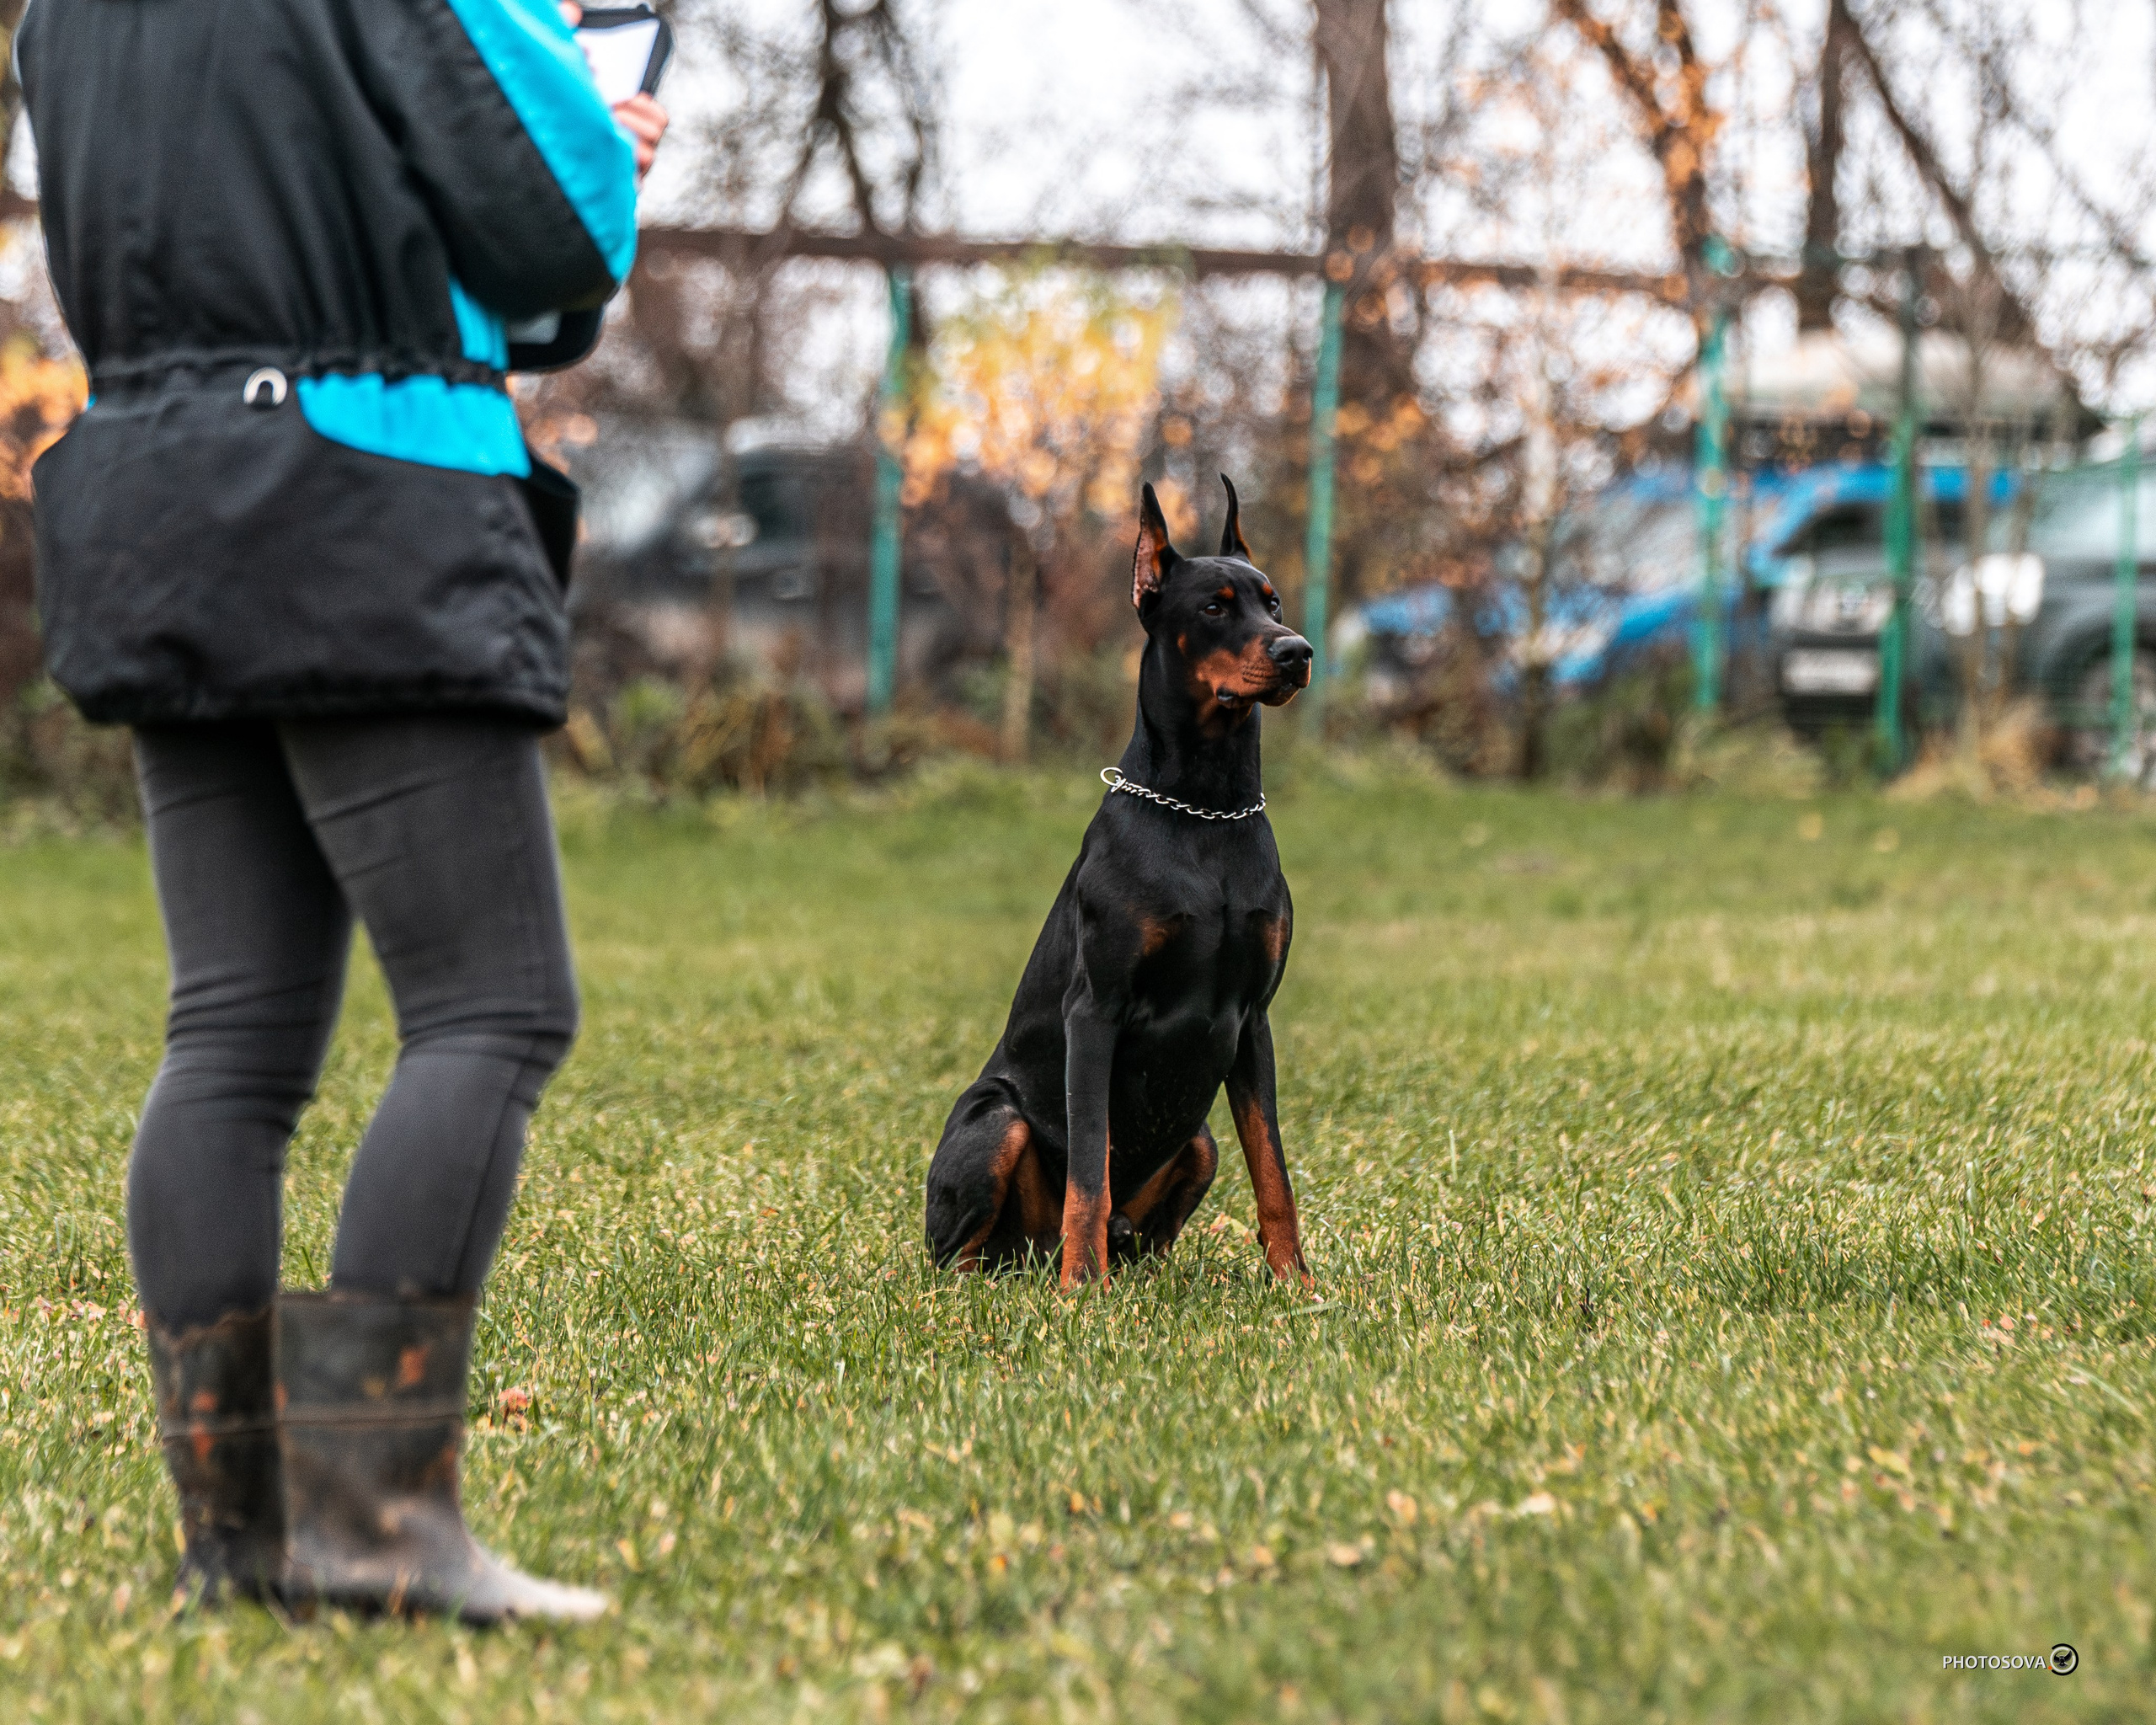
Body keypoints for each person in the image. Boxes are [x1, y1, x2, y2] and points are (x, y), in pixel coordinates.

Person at [17, 0, 664, 1621]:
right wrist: (602, 142)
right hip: (364, 496)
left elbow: (295, 235)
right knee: (494, 1007)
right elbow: (560, 223)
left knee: (231, 1034)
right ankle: (378, 1521)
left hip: (156, 494)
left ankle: (236, 1537)